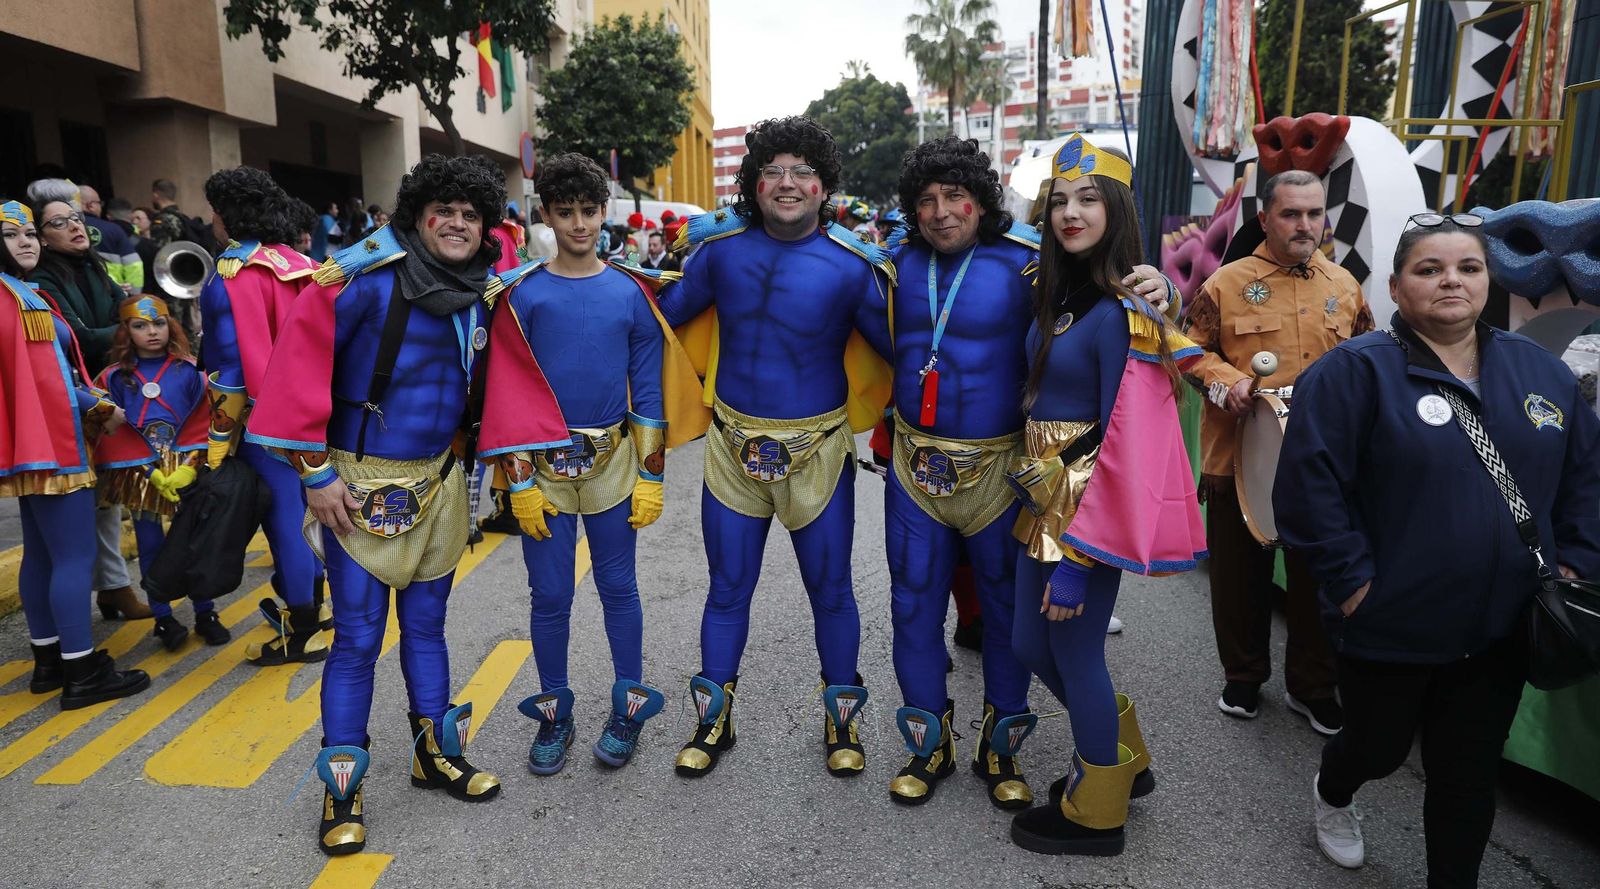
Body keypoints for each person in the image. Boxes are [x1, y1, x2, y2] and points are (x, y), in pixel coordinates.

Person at [243, 154, 564, 855]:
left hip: (441, 481)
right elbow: (297, 372)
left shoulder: (484, 293)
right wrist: (316, 474)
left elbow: (506, 386)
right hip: (357, 485)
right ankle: (342, 789)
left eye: (470, 214)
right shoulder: (362, 282)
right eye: (443, 210)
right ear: (417, 216)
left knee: (427, 627)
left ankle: (434, 756)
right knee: (358, 638)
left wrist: (516, 472)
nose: (457, 223)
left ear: (486, 227)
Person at [1274, 214, 1600, 883]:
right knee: (1378, 748)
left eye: (1468, 268)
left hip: (1503, 626)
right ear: (1396, 286)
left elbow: (1587, 481)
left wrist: (1575, 563)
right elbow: (1309, 494)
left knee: (1466, 775)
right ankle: (1334, 789)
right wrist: (1355, 585)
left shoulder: (1543, 373)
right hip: (1390, 621)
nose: (1452, 280)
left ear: (1489, 281)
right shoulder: (1351, 373)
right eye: (1430, 269)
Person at [657, 116, 894, 778]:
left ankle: (842, 721)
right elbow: (656, 320)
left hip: (819, 449)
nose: (787, 182)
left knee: (832, 590)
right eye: (773, 171)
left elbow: (909, 348)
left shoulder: (853, 267)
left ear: (824, 186)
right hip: (733, 447)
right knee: (727, 587)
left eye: (802, 171)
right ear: (754, 184)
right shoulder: (719, 255)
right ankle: (714, 720)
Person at [1006, 134, 1207, 856]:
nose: (1071, 212)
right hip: (1043, 494)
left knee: (1077, 651)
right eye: (1060, 200)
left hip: (1086, 507)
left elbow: (1126, 442)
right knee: (1030, 642)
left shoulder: (1127, 311)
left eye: (1089, 199)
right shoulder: (1057, 290)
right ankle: (1125, 758)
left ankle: (1097, 814)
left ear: (1118, 208)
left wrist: (1080, 559)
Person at [479, 153, 707, 774]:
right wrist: (518, 483)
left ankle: (627, 709)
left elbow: (648, 391)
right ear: (546, 216)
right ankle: (555, 715)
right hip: (540, 469)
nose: (578, 224)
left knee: (618, 587)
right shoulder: (520, 294)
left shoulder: (632, 291)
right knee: (550, 594)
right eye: (565, 212)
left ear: (605, 212)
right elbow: (507, 392)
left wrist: (651, 477)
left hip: (613, 465)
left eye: (588, 210)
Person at [1183, 169, 1371, 735]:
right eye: (1291, 214)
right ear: (1265, 218)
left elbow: (1368, 361)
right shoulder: (1226, 283)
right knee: (1239, 575)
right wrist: (1230, 383)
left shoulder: (1345, 285)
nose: (1304, 225)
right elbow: (1188, 353)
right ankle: (1242, 675)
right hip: (1240, 454)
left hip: (1324, 460)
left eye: (1314, 213)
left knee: (1320, 575)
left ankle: (1312, 686)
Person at [1, 199, 151, 710]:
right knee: (73, 556)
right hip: (53, 439)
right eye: (10, 235)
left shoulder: (17, 291)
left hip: (31, 440)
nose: (25, 241)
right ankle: (82, 670)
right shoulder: (19, 299)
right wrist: (99, 408)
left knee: (42, 554)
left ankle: (48, 659)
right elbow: (51, 381)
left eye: (28, 232)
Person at [200, 166, 329, 665]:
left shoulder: (230, 276)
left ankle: (303, 630)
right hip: (317, 412)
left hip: (263, 420)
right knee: (310, 512)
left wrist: (217, 441)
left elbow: (230, 370)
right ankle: (317, 609)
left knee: (284, 523)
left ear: (227, 215)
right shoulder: (304, 263)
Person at [28, 196, 151, 622]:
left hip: (105, 389)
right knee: (93, 504)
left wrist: (132, 324)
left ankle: (112, 587)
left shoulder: (94, 267)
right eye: (59, 222)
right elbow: (79, 338)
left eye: (76, 218)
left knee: (108, 499)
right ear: (44, 238)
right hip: (75, 400)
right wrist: (130, 330)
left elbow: (118, 315)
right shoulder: (41, 279)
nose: (75, 226)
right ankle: (107, 593)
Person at [92, 295, 224, 649]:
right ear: (126, 330)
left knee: (196, 543)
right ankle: (163, 618)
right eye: (140, 325)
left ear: (171, 325)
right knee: (150, 545)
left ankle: (206, 612)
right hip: (139, 474)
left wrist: (191, 466)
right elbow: (105, 428)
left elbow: (207, 421)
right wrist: (144, 470)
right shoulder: (112, 377)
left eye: (159, 323)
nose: (152, 331)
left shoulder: (192, 370)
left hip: (187, 469)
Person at [76, 183, 145, 293]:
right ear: (91, 206)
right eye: (99, 203)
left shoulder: (65, 229)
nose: (101, 207)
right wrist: (134, 294)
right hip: (114, 292)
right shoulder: (113, 229)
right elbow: (134, 265)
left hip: (81, 294)